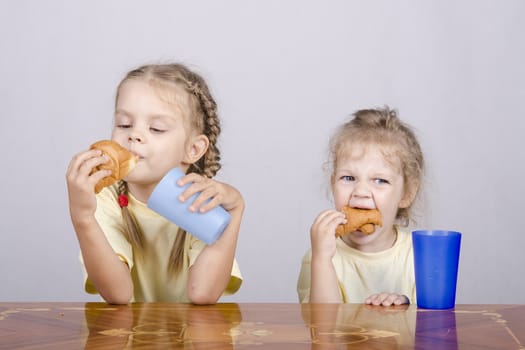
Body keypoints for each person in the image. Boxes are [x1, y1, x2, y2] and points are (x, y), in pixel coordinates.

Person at [66, 63, 243, 304]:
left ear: (193, 149)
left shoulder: (199, 198)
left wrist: (235, 210)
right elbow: (118, 294)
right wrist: (83, 217)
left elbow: (203, 293)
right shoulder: (106, 199)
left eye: (156, 128)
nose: (134, 135)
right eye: (124, 124)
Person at [297, 106, 424, 306]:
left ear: (407, 193)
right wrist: (321, 260)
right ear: (333, 184)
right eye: (348, 178)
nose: (361, 191)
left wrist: (406, 308)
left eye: (380, 180)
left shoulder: (419, 256)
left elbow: (434, 326)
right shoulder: (321, 255)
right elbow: (322, 329)